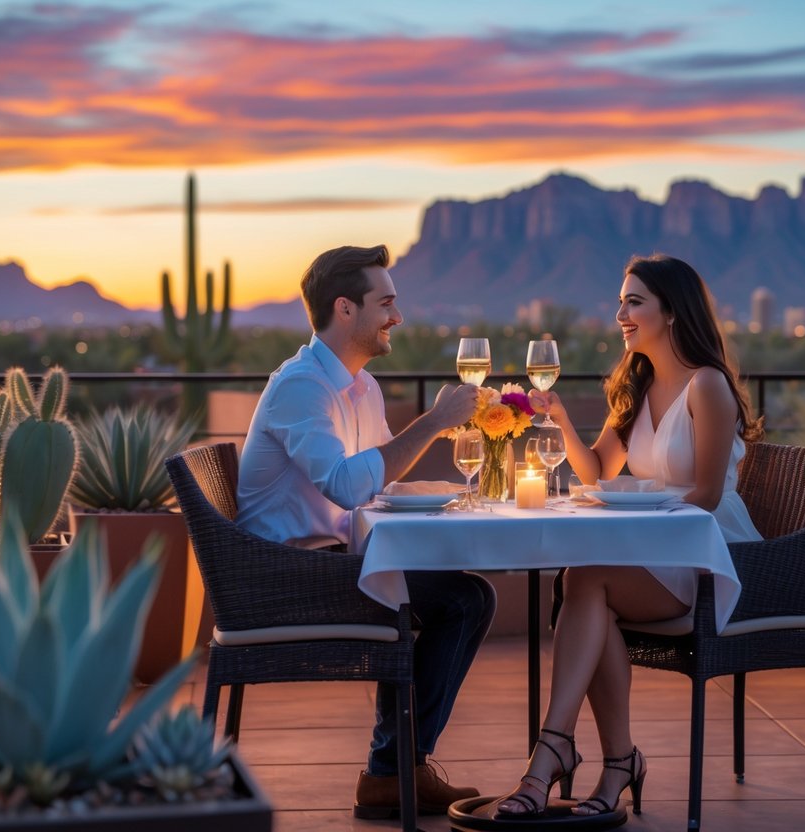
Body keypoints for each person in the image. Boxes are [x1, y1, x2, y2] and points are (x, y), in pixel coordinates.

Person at [496, 253, 764, 819]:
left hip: (706, 554)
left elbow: (709, 495)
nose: (620, 312)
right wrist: (562, 418)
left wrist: (635, 529)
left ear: (671, 311)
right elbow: (597, 471)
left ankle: (558, 755)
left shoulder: (707, 385)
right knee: (584, 584)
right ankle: (609, 760)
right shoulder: (639, 386)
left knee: (585, 581)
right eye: (620, 301)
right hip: (655, 548)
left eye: (633, 301)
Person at [237, 244, 496, 819]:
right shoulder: (303, 387)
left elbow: (374, 489)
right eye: (386, 304)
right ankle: (393, 772)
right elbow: (349, 487)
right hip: (287, 575)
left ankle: (393, 770)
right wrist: (433, 422)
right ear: (345, 309)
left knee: (462, 592)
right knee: (465, 600)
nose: (397, 318)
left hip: (333, 559)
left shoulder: (361, 387)